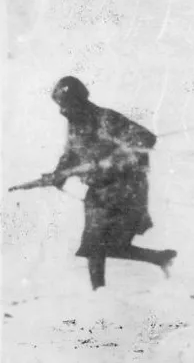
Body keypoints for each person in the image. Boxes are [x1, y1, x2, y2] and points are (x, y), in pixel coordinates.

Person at [45, 76, 177, 291]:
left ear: (79, 101)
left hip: (125, 190)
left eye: (66, 105)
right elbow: (70, 155)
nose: (63, 111)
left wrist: (112, 160)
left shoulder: (106, 119)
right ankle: (158, 259)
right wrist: (59, 174)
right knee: (101, 245)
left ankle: (100, 293)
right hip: (98, 192)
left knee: (101, 244)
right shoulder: (75, 126)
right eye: (61, 106)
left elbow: (146, 139)